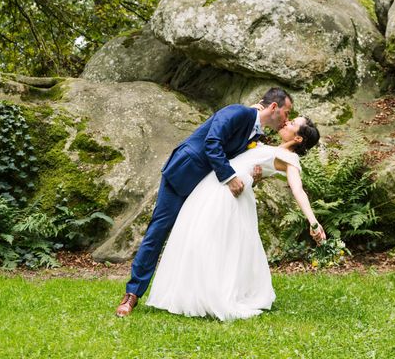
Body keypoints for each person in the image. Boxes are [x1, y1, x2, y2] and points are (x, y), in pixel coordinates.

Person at [115, 88, 295, 317]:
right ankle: (132, 295)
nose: (286, 119)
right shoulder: (236, 112)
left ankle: (196, 295)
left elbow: (238, 160)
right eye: (287, 113)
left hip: (208, 189)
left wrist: (252, 175)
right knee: (158, 231)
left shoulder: (256, 135)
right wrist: (230, 178)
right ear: (273, 107)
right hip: (184, 175)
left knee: (202, 239)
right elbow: (212, 143)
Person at [145, 116, 325, 320]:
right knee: (196, 238)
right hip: (215, 185)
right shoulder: (270, 146)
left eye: (293, 123)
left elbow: (298, 190)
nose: (286, 122)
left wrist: (313, 222)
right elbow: (250, 168)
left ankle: (213, 295)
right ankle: (189, 292)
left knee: (213, 244)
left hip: (228, 197)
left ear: (299, 139)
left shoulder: (291, 160)